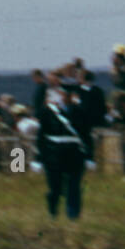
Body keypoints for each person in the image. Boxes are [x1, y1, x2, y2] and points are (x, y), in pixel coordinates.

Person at [36, 71, 86, 219]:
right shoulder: (49, 112)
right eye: (65, 93)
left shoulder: (79, 111)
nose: (68, 97)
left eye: (71, 94)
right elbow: (41, 135)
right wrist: (38, 158)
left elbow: (85, 134)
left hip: (74, 152)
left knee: (74, 187)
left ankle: (73, 216)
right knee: (55, 188)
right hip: (54, 153)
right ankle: (53, 212)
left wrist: (89, 157)